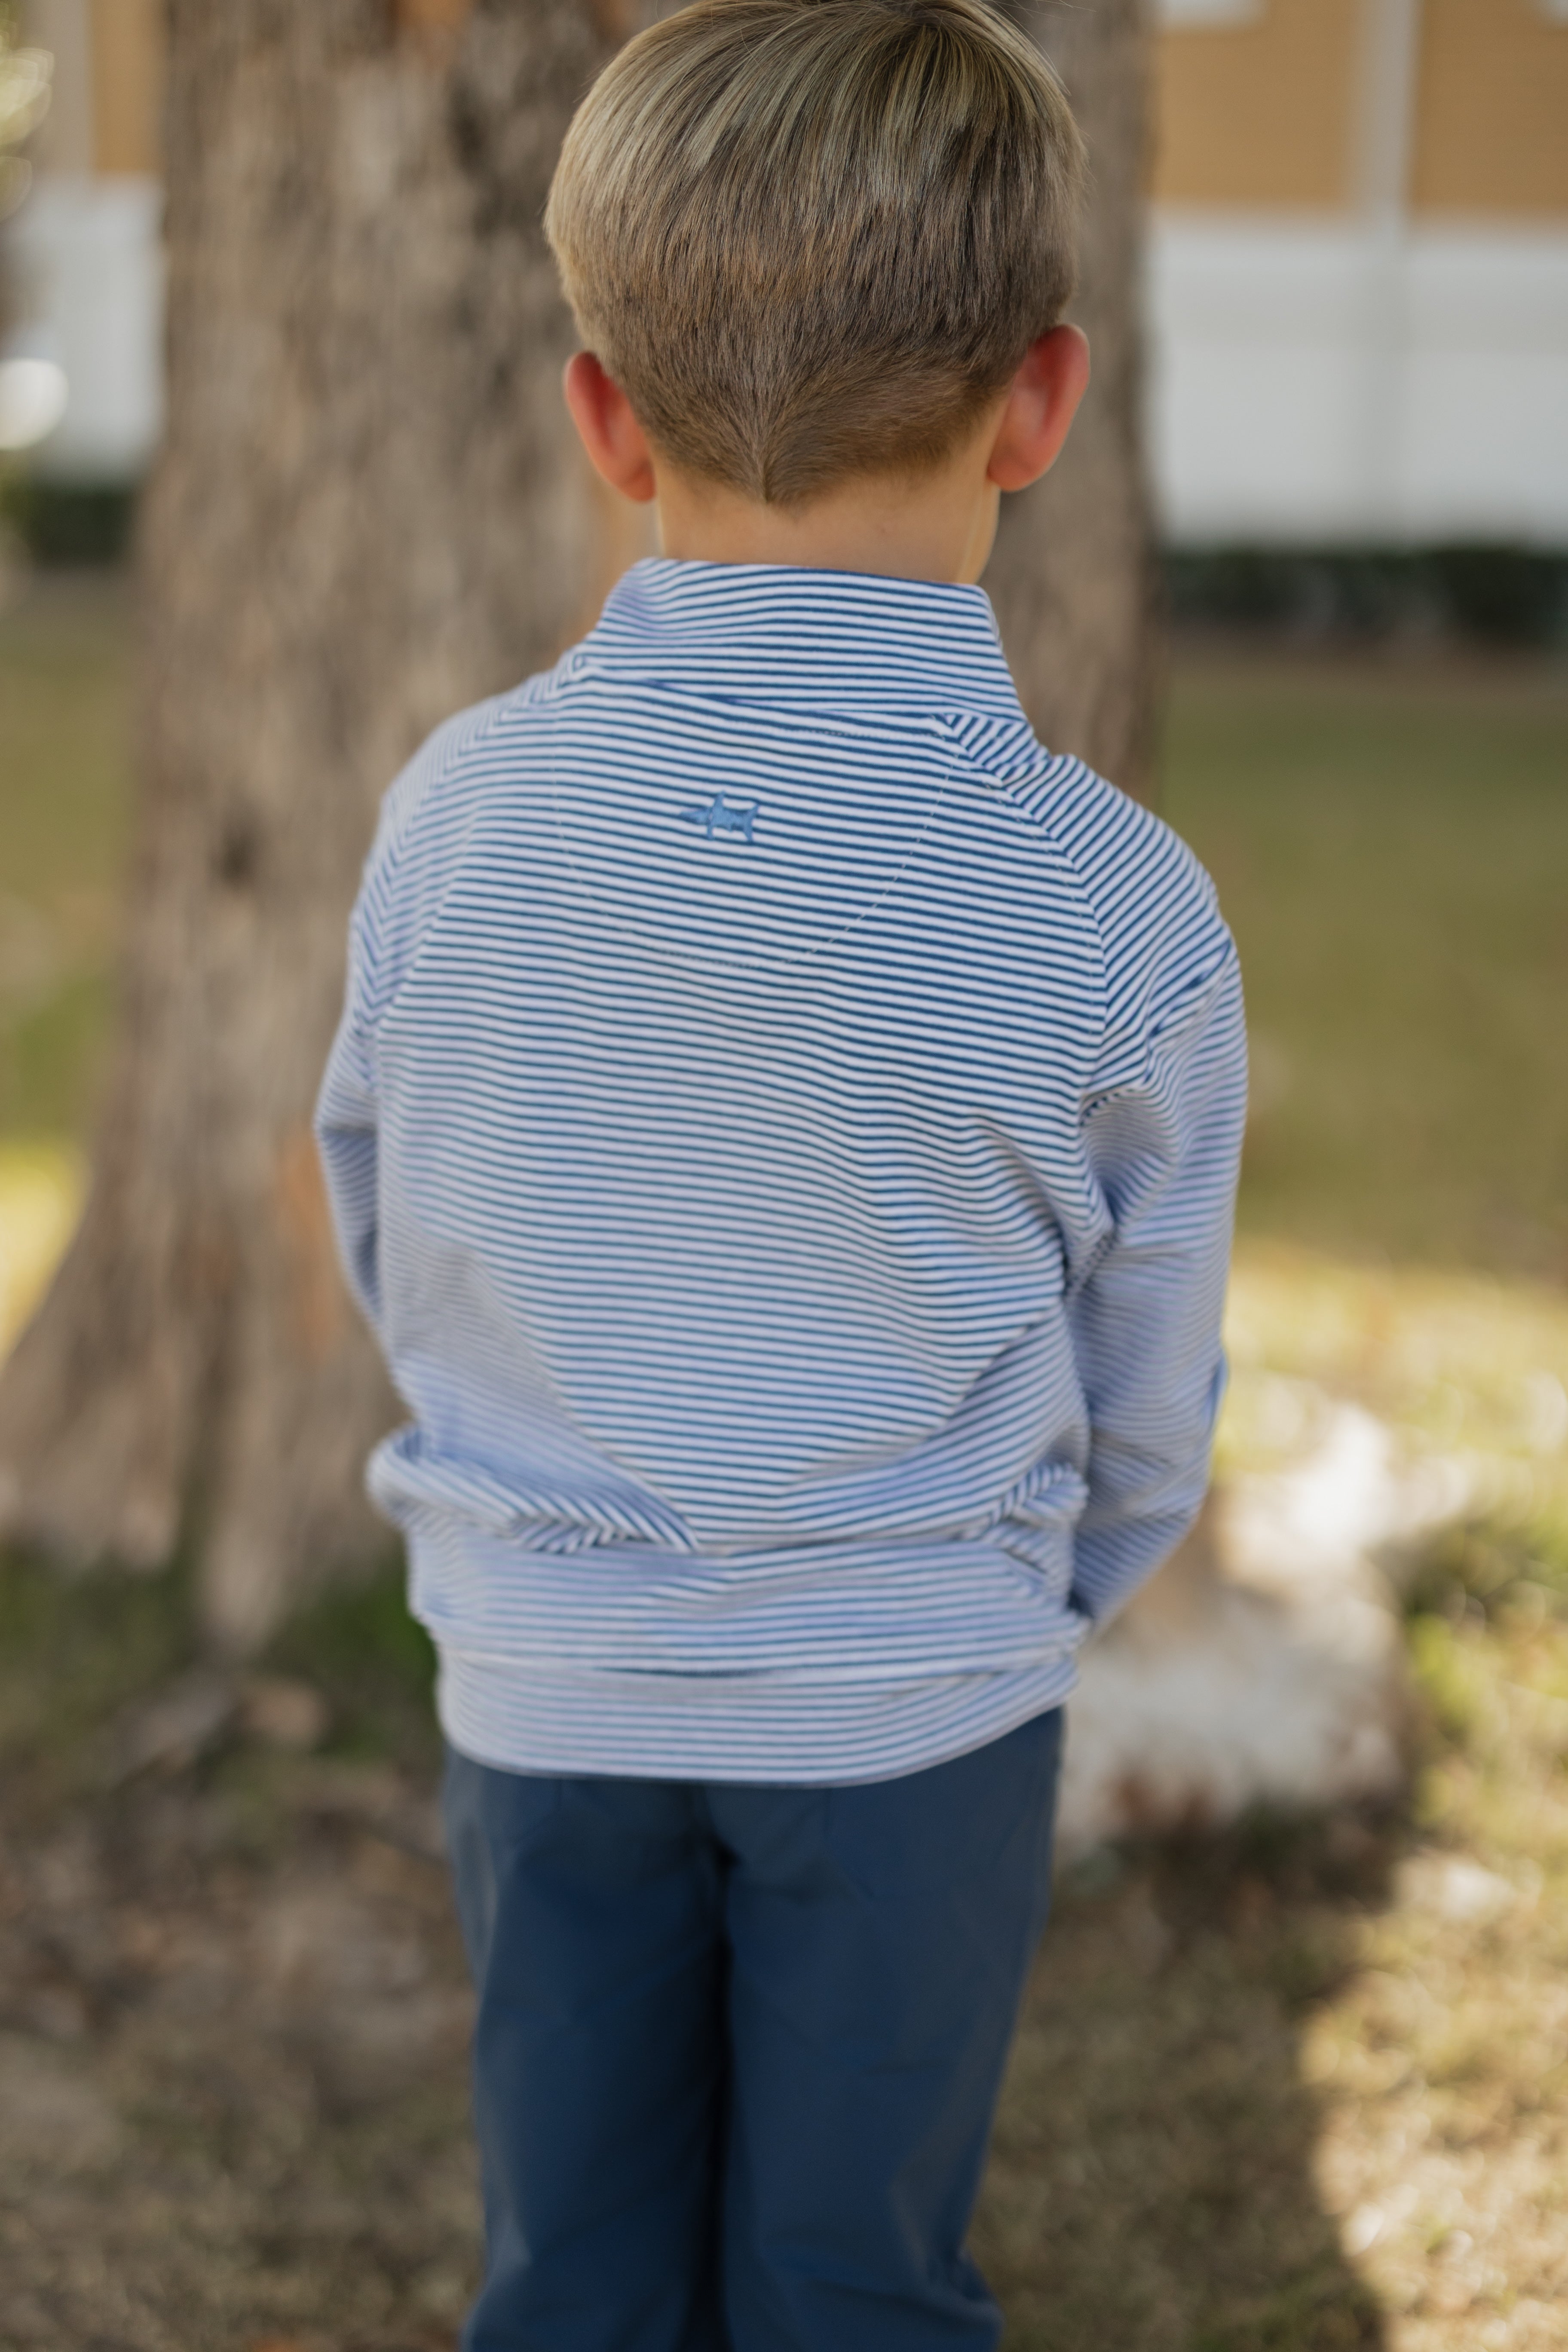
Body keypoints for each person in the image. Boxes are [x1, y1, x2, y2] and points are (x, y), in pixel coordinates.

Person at [315, 1, 1246, 2343]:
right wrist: (1020, 1595)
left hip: (549, 1682)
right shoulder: (1117, 905)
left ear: (601, 417)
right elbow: (1149, 1390)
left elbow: (392, 1218)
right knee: (856, 2283)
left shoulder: (459, 815)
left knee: (575, 2278)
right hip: (921, 1714)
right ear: (1044, 401)